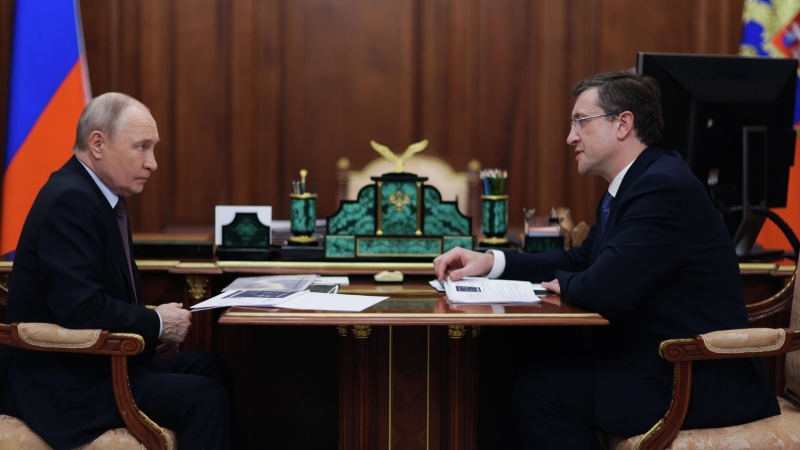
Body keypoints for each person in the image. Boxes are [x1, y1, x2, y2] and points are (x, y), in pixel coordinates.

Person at [434, 71, 779, 449]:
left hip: (691, 379)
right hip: (652, 362)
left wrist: (565, 283)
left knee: (539, 392)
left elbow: (604, 288)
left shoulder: (662, 187)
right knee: (506, 356)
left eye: (580, 121)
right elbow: (583, 259)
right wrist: (492, 262)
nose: (571, 137)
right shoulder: (634, 183)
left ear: (623, 124)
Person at [3, 93, 232, 449]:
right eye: (141, 147)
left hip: (100, 364)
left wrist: (150, 333)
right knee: (205, 396)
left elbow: (102, 296)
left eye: (153, 149)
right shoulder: (69, 199)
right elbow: (80, 308)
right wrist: (156, 323)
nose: (152, 163)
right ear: (98, 144)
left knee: (213, 368)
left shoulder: (100, 195)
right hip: (64, 386)